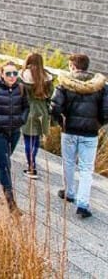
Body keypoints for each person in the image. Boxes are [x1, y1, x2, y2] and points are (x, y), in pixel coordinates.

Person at [51, 53, 108, 219]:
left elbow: (54, 107)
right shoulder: (101, 86)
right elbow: (106, 110)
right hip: (90, 133)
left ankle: (69, 192)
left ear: (73, 66)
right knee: (86, 168)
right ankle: (83, 204)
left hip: (69, 131)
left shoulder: (65, 84)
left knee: (68, 162)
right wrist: (98, 124)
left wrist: (61, 122)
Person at [0, 61, 29, 215]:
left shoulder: (21, 89)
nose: (12, 77)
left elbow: (26, 107)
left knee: (1, 160)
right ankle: (11, 204)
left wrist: (22, 119)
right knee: (5, 164)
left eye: (15, 73)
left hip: (14, 131)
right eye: (8, 73)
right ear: (1, 74)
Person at [20, 53, 54, 180]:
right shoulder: (47, 77)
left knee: (28, 140)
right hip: (42, 111)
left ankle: (31, 166)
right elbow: (51, 96)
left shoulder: (23, 76)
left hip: (27, 110)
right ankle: (32, 164)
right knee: (36, 140)